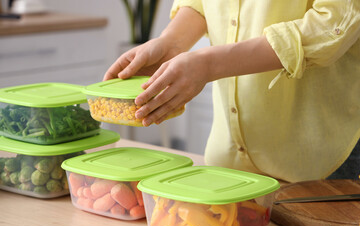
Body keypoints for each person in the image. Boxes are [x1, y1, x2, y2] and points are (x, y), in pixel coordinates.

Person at [103, 0, 360, 183]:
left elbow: (333, 24)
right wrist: (171, 43)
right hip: (227, 160)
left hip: (320, 163)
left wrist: (210, 64)